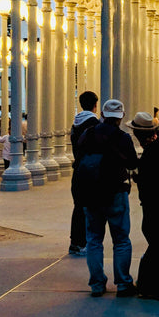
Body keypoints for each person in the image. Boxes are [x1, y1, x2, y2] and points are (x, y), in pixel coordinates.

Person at [76, 99, 139, 297]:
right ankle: (123, 283)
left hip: (91, 194)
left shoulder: (88, 134)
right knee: (121, 239)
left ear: (102, 114)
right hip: (116, 192)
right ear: (121, 117)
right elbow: (131, 163)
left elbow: (79, 158)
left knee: (94, 239)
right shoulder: (123, 137)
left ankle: (96, 284)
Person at [129, 111, 159, 249]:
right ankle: (157, 252)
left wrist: (136, 176)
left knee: (149, 227)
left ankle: (156, 254)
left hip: (154, 195)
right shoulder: (158, 142)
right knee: (152, 226)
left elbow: (150, 174)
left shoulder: (153, 149)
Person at [69, 91, 101, 256]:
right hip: (89, 171)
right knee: (90, 208)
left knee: (78, 207)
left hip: (78, 170)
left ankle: (75, 241)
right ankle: (84, 242)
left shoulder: (75, 123)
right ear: (95, 105)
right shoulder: (94, 124)